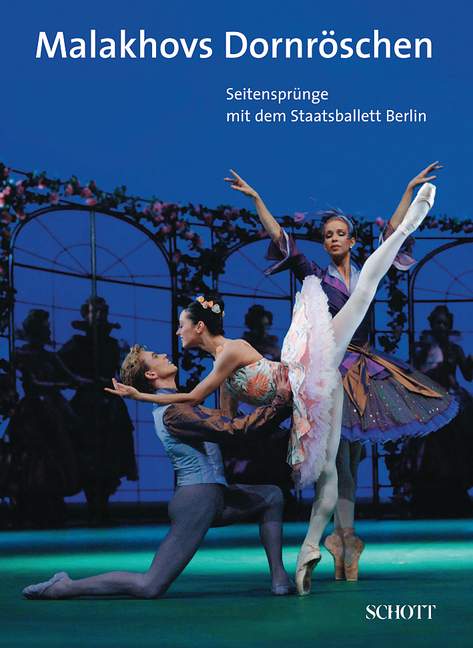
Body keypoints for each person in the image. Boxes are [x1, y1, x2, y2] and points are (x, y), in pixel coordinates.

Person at [107, 178, 436, 595]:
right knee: (329, 471)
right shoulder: (229, 364)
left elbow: (196, 398)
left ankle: (409, 223)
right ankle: (312, 548)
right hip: (309, 390)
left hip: (314, 368)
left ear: (200, 327)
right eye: (328, 234)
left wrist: (141, 396)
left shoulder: (231, 352)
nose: (176, 334)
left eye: (181, 327)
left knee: (365, 288)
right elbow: (222, 417)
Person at [225, 165, 458, 582]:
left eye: (340, 234)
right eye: (328, 235)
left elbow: (391, 239)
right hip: (332, 368)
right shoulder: (315, 276)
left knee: (352, 456)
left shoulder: (366, 269)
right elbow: (282, 240)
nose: (333, 239)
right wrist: (257, 199)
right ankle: (340, 538)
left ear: (351, 240)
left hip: (365, 367)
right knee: (338, 459)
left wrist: (407, 189)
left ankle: (344, 538)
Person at [22, 346, 294, 599]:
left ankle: (279, 577)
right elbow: (234, 429)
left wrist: (228, 378)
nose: (163, 354)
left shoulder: (181, 404)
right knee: (149, 585)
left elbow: (226, 419)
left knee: (272, 496)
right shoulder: (174, 412)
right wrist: (281, 399)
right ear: (151, 375)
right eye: (155, 356)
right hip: (197, 500)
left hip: (215, 497)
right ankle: (65, 586)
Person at [59, 296, 138, 526]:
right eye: (96, 311)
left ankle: (102, 507)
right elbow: (60, 368)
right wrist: (80, 381)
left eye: (104, 311)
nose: (100, 316)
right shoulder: (76, 343)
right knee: (88, 454)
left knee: (111, 454)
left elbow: (121, 373)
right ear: (86, 314)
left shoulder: (113, 344)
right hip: (86, 404)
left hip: (110, 403)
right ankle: (93, 507)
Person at [7, 310, 81, 527]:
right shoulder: (20, 354)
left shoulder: (50, 356)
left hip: (52, 410)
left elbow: (72, 377)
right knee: (33, 454)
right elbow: (30, 383)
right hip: (32, 411)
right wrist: (59, 385)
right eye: (45, 327)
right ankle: (29, 504)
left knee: (56, 453)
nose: (48, 331)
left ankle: (51, 503)